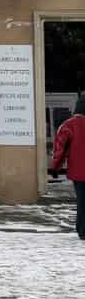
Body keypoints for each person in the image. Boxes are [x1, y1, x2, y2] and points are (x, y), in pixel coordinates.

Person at [49, 92, 85, 240]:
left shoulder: (68, 125)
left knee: (82, 200)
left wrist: (55, 167)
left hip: (79, 171)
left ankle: (82, 229)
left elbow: (60, 149)